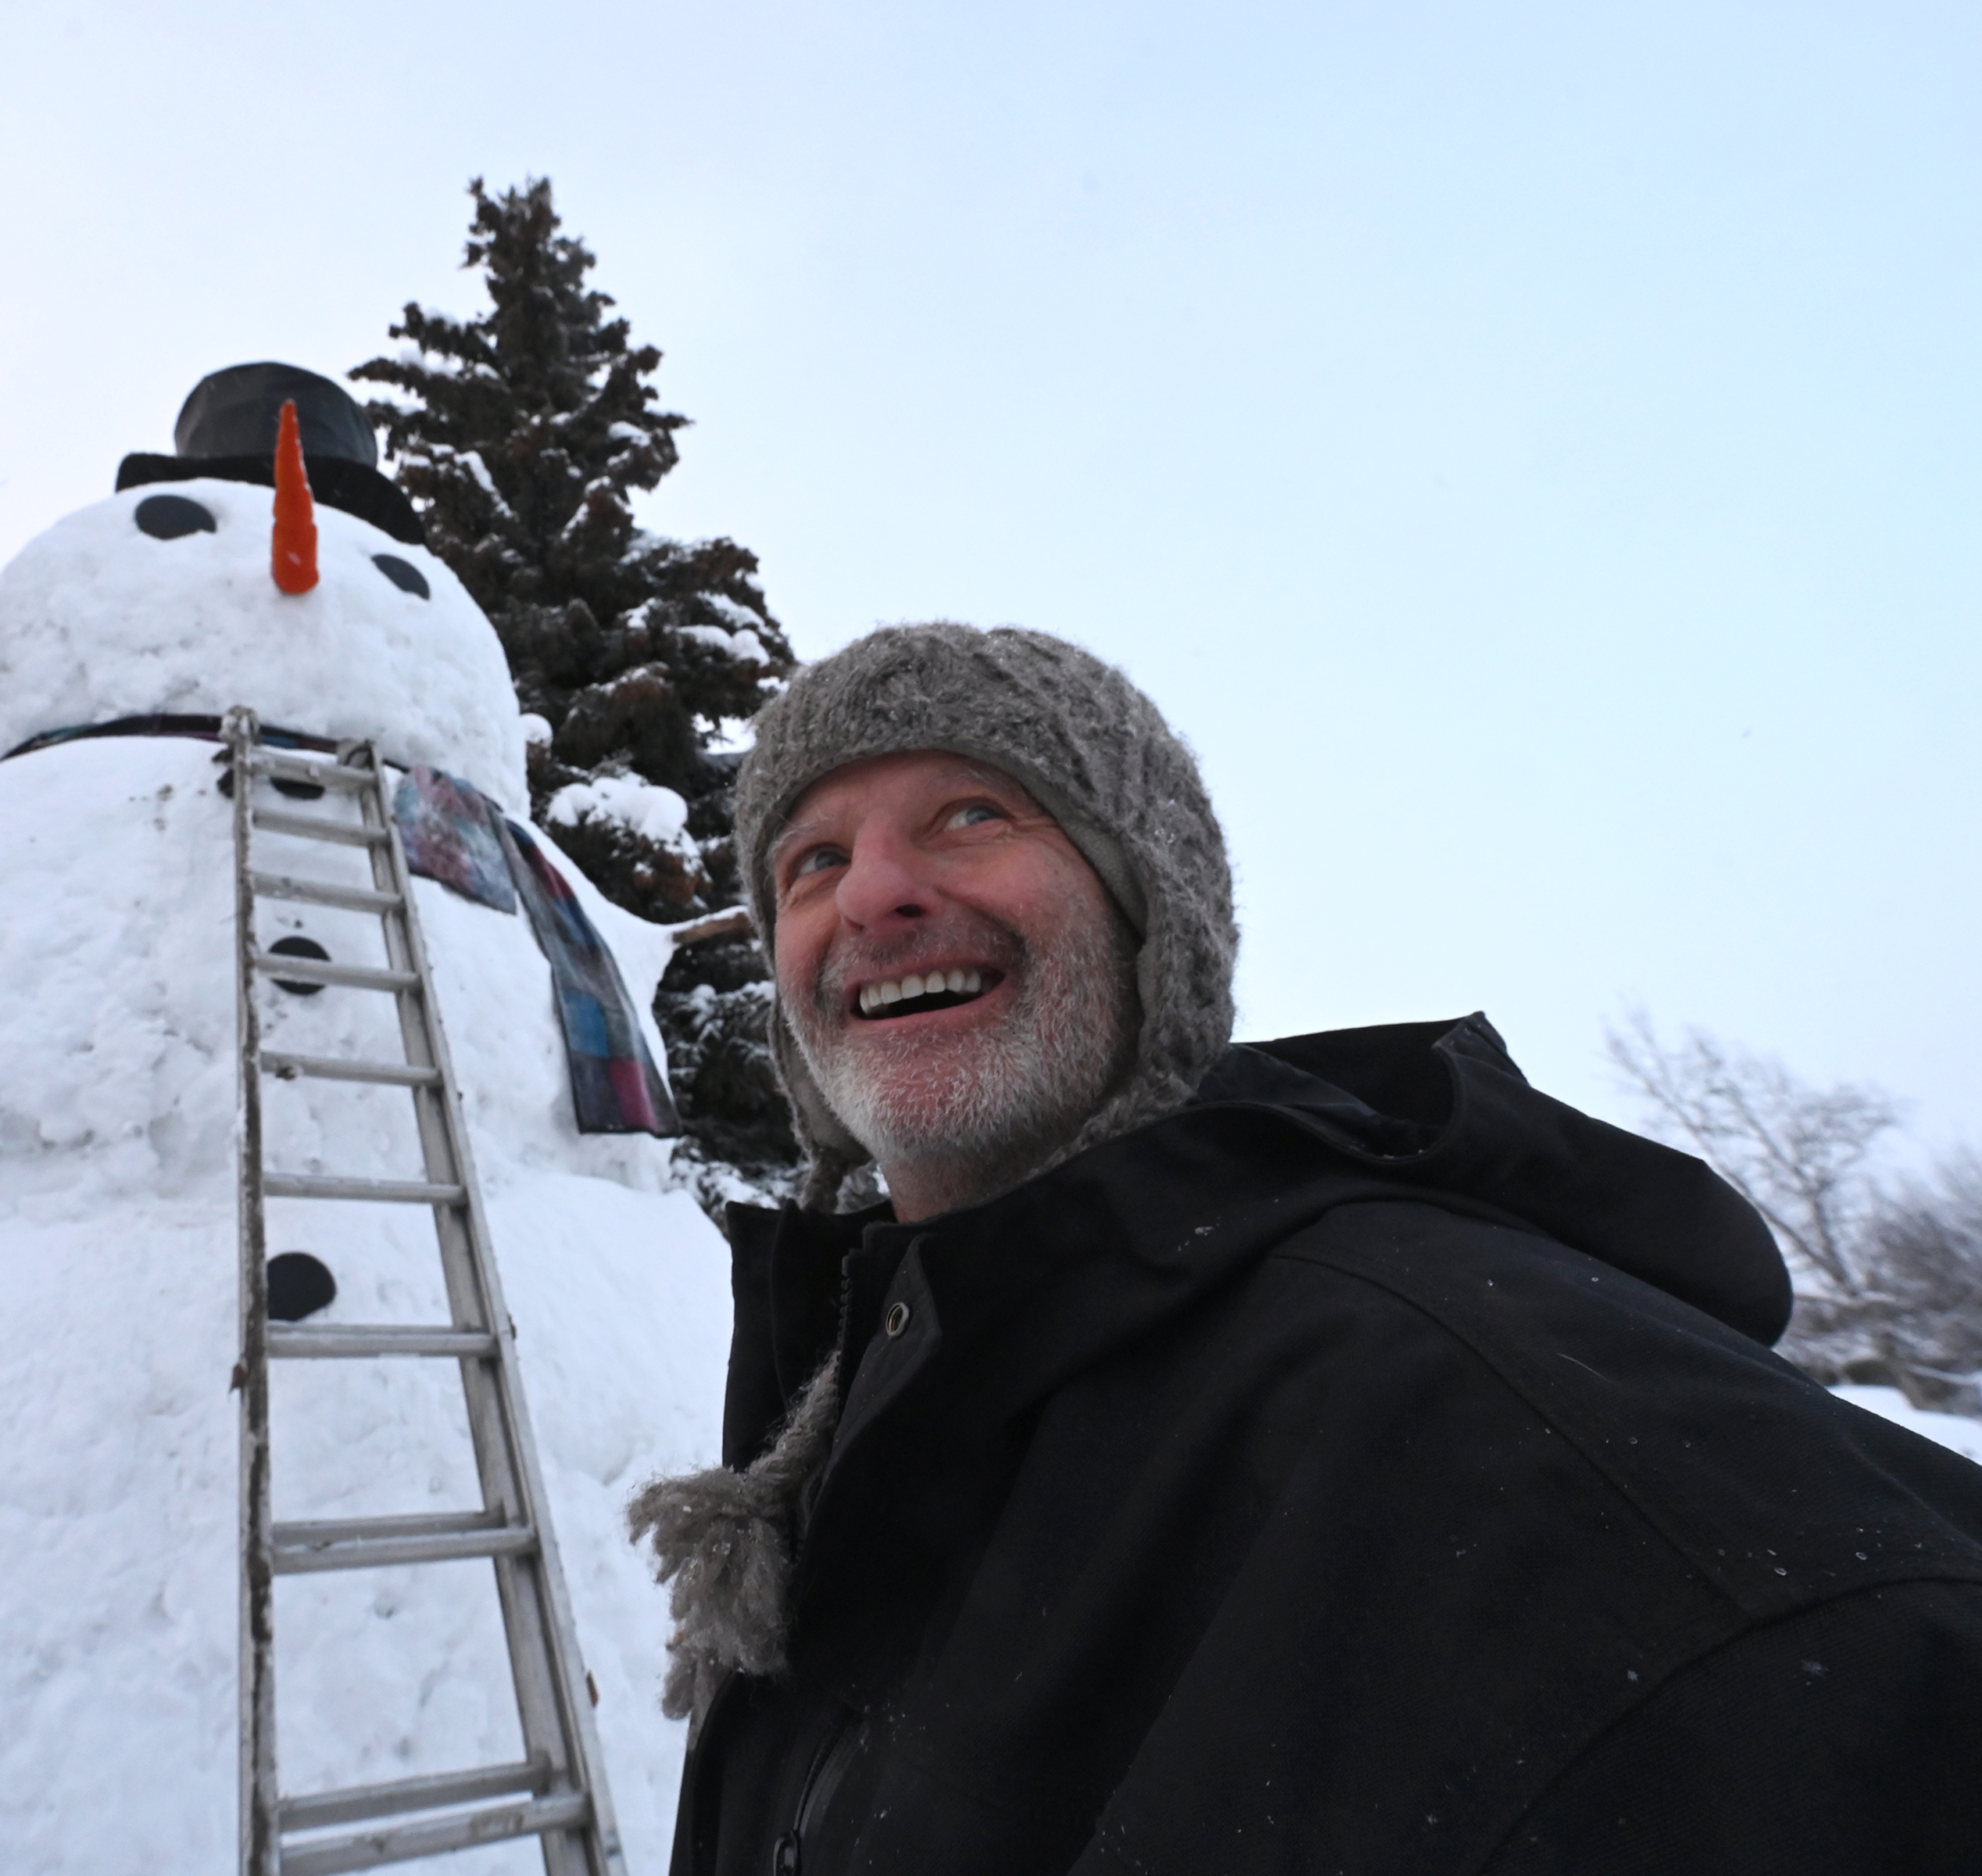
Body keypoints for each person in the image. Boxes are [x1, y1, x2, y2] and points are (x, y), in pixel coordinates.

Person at [628, 621, 1982, 1874]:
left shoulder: (1496, 1407)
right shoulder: (855, 1384)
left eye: (970, 814)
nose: (871, 894)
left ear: (1155, 909)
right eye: (811, 860)